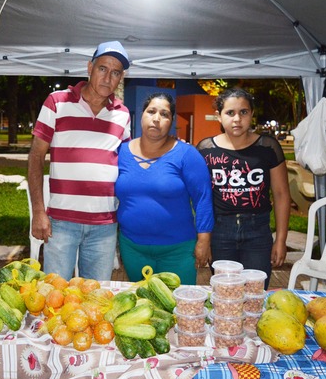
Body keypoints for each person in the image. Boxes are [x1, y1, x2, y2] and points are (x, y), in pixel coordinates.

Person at [27, 41, 131, 281]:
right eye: (103, 68)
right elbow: (35, 157)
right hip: (61, 223)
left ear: (120, 78)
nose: (108, 77)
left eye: (115, 73)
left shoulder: (122, 114)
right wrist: (39, 212)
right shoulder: (57, 102)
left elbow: (125, 165)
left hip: (105, 226)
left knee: (95, 299)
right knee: (56, 296)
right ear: (89, 68)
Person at [196, 87, 290, 289]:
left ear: (252, 114)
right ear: (219, 117)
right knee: (225, 294)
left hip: (258, 232)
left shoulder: (267, 147)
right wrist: (204, 238)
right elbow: (201, 197)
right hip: (220, 232)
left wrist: (281, 239)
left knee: (255, 294)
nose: (237, 118)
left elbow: (281, 194)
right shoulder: (205, 149)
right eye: (230, 113)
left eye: (243, 112)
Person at [115, 93, 214, 285]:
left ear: (171, 121)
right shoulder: (121, 152)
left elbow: (203, 198)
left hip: (178, 251)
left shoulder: (187, 154)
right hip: (133, 248)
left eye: (164, 114)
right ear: (142, 115)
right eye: (151, 111)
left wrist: (204, 240)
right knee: (142, 306)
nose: (156, 118)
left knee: (180, 307)